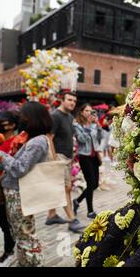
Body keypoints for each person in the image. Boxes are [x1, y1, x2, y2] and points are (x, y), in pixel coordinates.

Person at [0, 102, 54, 267]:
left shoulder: (38, 142)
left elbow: (19, 169)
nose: (21, 120)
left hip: (20, 194)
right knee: (20, 233)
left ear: (33, 118)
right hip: (16, 193)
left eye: (24, 117)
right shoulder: (33, 140)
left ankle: (33, 263)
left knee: (25, 236)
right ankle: (24, 262)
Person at [46, 91, 85, 233]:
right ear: (62, 100)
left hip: (68, 158)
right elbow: (49, 137)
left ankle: (51, 215)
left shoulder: (69, 117)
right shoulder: (55, 116)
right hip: (59, 158)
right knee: (65, 188)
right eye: (69, 100)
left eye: (74, 101)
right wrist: (54, 158)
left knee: (59, 187)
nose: (72, 103)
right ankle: (72, 219)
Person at [0, 112, 18, 267]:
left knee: (4, 222)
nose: (0, 123)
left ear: (13, 124)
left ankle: (9, 252)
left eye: (4, 121)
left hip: (3, 187)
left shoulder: (16, 141)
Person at [73, 104, 103, 219]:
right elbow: (81, 139)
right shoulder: (77, 125)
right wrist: (88, 127)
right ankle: (90, 211)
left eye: (91, 111)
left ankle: (77, 200)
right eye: (86, 110)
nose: (89, 113)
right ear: (81, 112)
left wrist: (98, 126)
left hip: (94, 156)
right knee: (90, 183)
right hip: (84, 157)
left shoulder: (93, 125)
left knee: (95, 184)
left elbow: (99, 139)